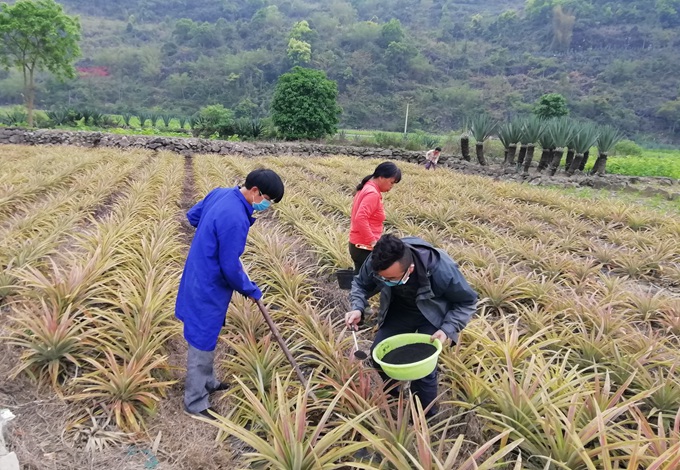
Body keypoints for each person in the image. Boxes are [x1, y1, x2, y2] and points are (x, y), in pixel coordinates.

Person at [175, 168, 285, 419]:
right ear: (255, 191)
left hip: (197, 272)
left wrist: (208, 239)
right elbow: (229, 266)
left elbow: (193, 216)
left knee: (210, 332)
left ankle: (209, 381)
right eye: (267, 199)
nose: (266, 206)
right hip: (208, 283)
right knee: (202, 338)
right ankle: (195, 402)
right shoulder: (236, 217)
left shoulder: (221, 193)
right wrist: (251, 289)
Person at [344, 234, 477, 418]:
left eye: (391, 278)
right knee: (379, 356)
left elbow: (467, 302)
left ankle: (426, 414)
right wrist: (358, 308)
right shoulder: (377, 261)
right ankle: (396, 396)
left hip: (431, 313)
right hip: (399, 310)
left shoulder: (441, 269)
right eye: (382, 278)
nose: (385, 281)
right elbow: (360, 283)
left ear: (410, 269)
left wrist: (447, 329)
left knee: (424, 369)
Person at [348, 162, 402, 274]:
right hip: (364, 247)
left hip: (358, 245)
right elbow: (361, 218)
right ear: (381, 177)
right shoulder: (372, 193)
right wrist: (373, 242)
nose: (391, 187)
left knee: (361, 283)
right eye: (391, 182)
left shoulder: (367, 187)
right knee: (378, 281)